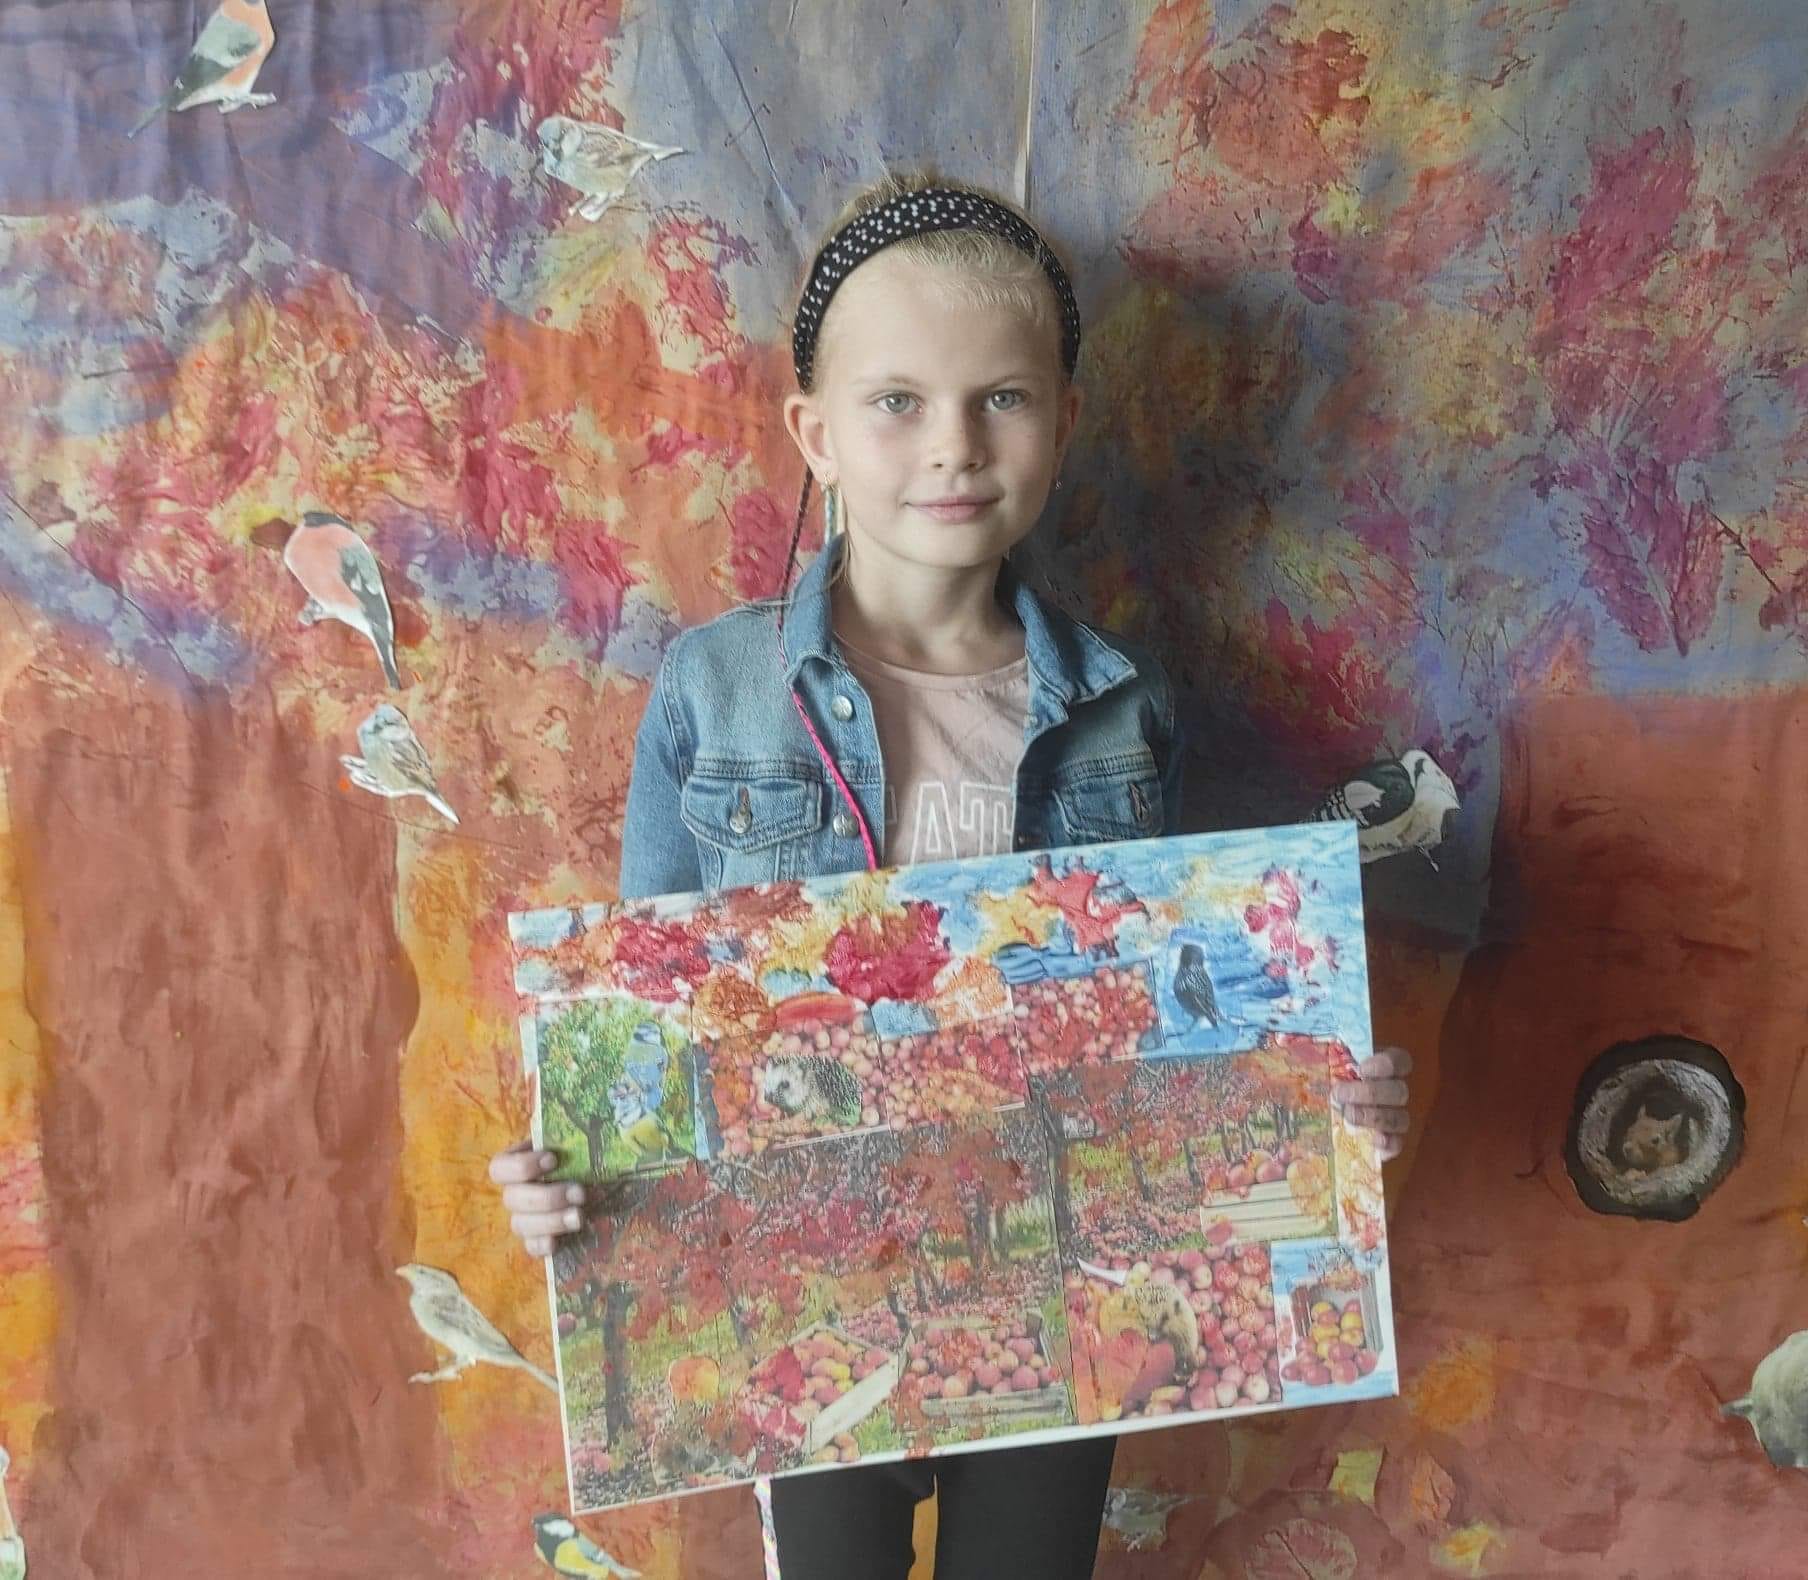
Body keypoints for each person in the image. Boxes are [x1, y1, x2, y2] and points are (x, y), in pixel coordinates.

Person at [488, 167, 1414, 1580]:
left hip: (1054, 1260)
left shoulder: (1123, 709)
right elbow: (636, 1015)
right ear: (816, 434)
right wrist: (567, 1176)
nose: (954, 446)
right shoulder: (715, 690)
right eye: (897, 401)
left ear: (1064, 424)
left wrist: (1322, 1100)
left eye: (1004, 397)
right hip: (800, 1270)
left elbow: (1184, 1015)